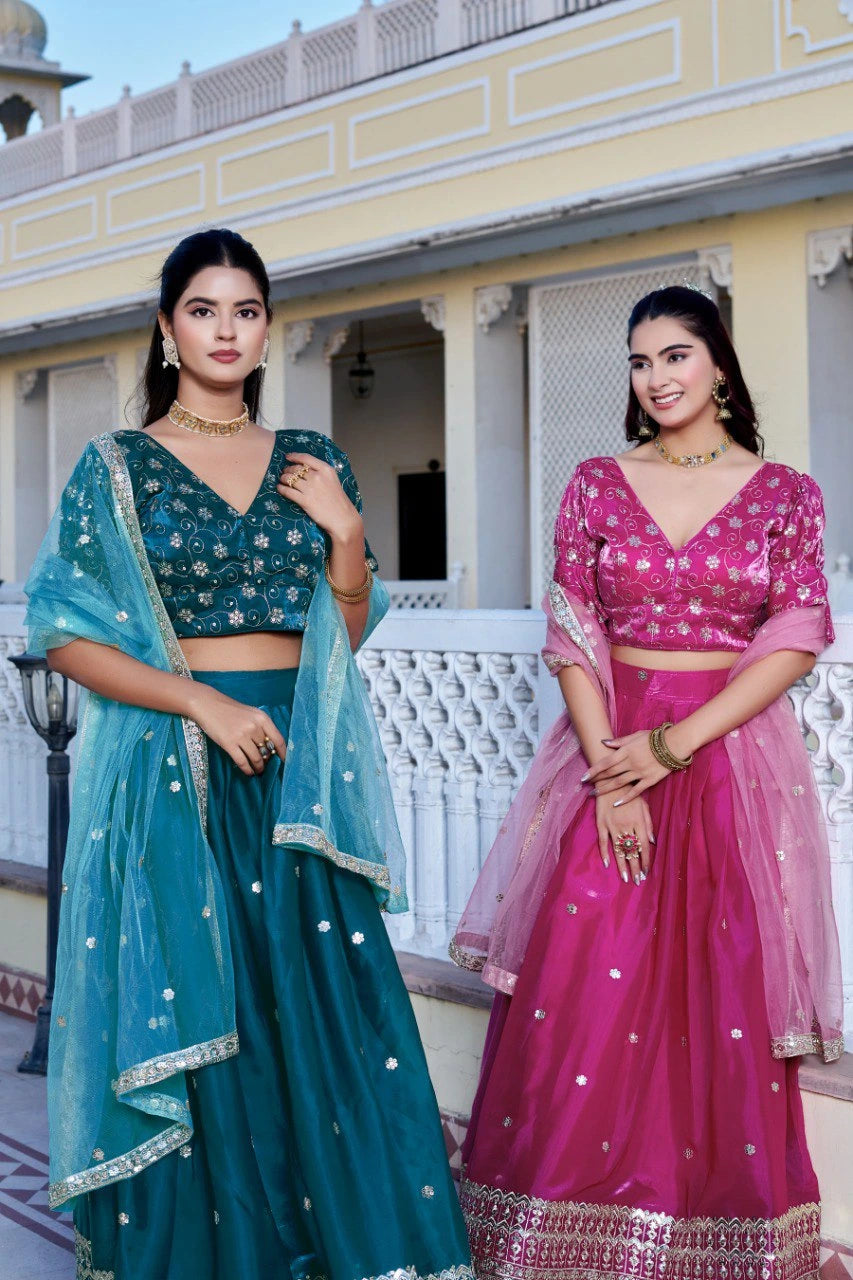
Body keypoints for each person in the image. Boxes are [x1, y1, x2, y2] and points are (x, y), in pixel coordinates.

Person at [26, 228, 473, 1280]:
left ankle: (344, 1248)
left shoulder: (313, 459)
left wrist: (350, 539)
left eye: (246, 310)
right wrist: (197, 701)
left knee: (319, 1004)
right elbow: (63, 629)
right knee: (205, 1007)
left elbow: (343, 636)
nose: (226, 329)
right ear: (167, 330)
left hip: (295, 763)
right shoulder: (117, 466)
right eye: (203, 310)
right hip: (176, 767)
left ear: (267, 328)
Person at [451, 285, 842, 1280]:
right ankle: (553, 1243)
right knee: (582, 980)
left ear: (718, 361)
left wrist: (674, 748)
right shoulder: (595, 481)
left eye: (674, 354)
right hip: (605, 748)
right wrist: (614, 775)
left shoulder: (785, 492)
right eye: (639, 361)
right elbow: (572, 630)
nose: (656, 377)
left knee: (722, 995)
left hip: (726, 760)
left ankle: (708, 1244)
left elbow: (795, 635)